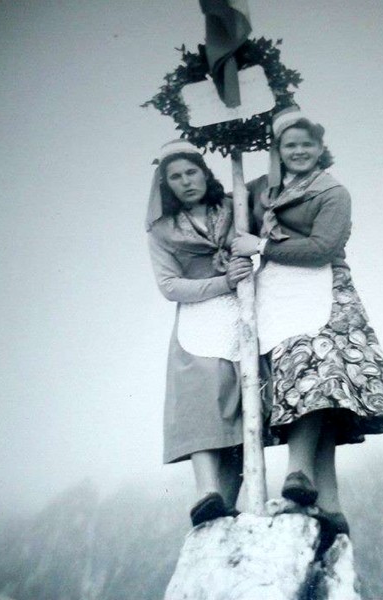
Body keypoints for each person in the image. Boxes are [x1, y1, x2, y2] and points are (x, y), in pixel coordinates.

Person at [232, 107, 383, 542]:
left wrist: (262, 245)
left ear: (319, 149)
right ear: (278, 150)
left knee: (320, 383)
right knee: (307, 390)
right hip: (278, 296)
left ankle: (298, 472)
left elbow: (321, 248)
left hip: (326, 296)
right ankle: (329, 504)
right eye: (289, 145)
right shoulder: (262, 190)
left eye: (306, 145)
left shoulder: (333, 192)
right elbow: (228, 206)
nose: (299, 152)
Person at [146, 139, 258, 527]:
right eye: (175, 177)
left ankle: (227, 501)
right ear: (167, 185)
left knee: (245, 406)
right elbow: (169, 286)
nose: (185, 181)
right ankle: (207, 493)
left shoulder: (233, 206)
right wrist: (222, 283)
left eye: (190, 172)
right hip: (198, 318)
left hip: (245, 312)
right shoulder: (162, 231)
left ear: (204, 172)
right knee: (203, 406)